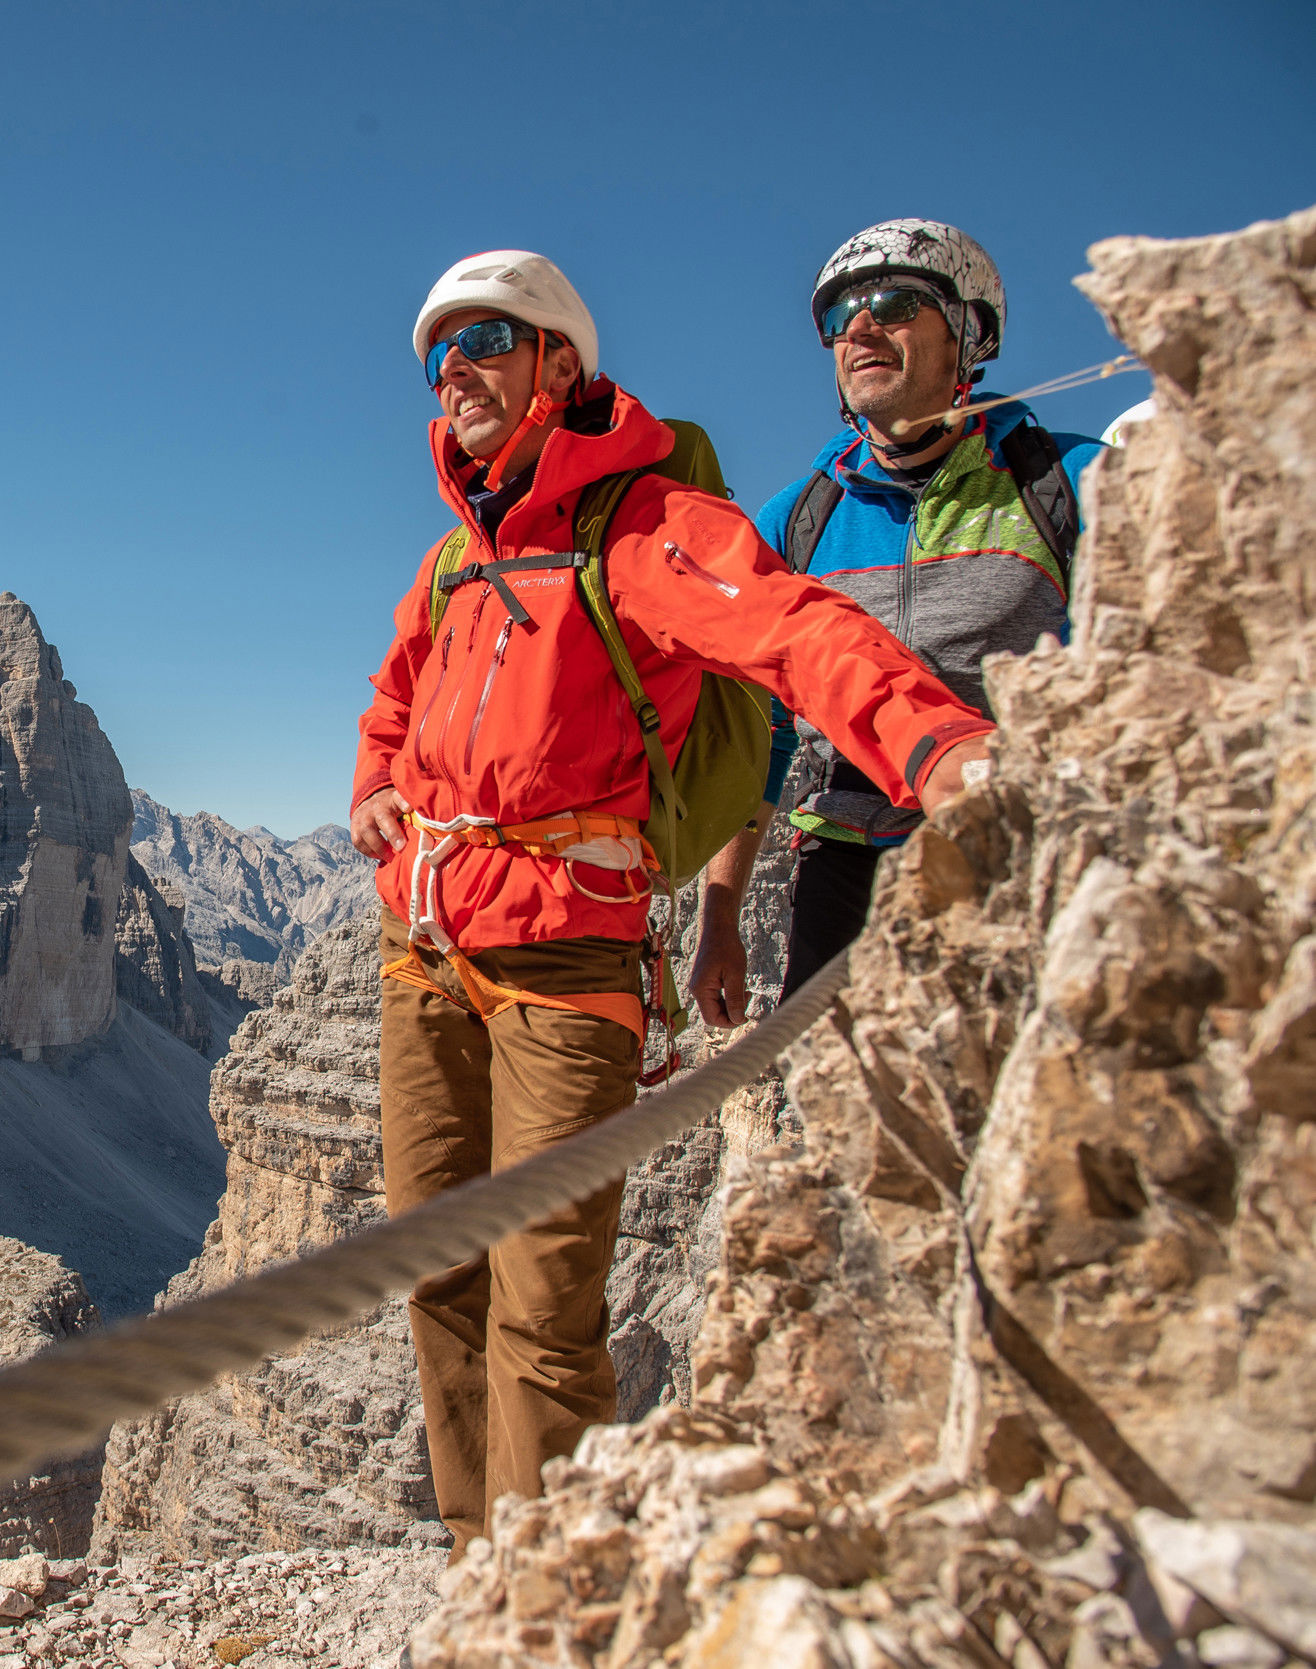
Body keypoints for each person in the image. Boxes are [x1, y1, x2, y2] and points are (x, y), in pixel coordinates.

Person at [350, 249, 997, 1555]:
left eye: (487, 338)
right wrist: (375, 788)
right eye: (439, 354)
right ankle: (486, 1564)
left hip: (561, 968)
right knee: (440, 1280)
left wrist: (939, 746)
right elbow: (393, 702)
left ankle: (550, 1594)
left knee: (542, 1310)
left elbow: (795, 628)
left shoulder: (640, 528)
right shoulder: (451, 562)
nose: (457, 369)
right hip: (420, 957)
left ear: (559, 365)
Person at [687, 220, 1104, 1026]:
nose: (862, 328)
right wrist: (720, 918)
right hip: (842, 872)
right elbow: (764, 733)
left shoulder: (1065, 484)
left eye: (894, 302)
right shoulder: (798, 521)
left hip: (1018, 855)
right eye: (840, 318)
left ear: (968, 336)